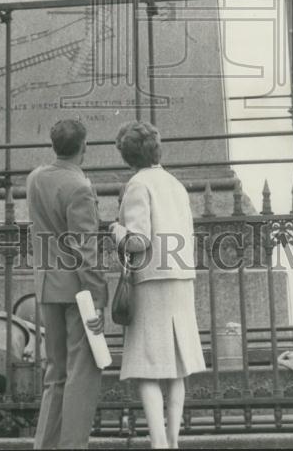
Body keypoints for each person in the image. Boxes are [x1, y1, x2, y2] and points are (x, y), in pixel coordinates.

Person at [110, 121, 205, 450]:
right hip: (181, 277)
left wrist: (117, 232)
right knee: (177, 366)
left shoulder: (138, 184)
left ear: (127, 156)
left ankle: (158, 442)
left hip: (152, 280)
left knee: (147, 366)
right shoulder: (175, 184)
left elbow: (138, 241)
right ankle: (173, 441)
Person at [26, 117, 108, 450]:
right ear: (83, 147)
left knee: (55, 374)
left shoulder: (34, 178)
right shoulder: (80, 188)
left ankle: (44, 445)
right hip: (77, 291)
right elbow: (85, 248)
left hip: (47, 286)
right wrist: (99, 296)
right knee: (82, 375)